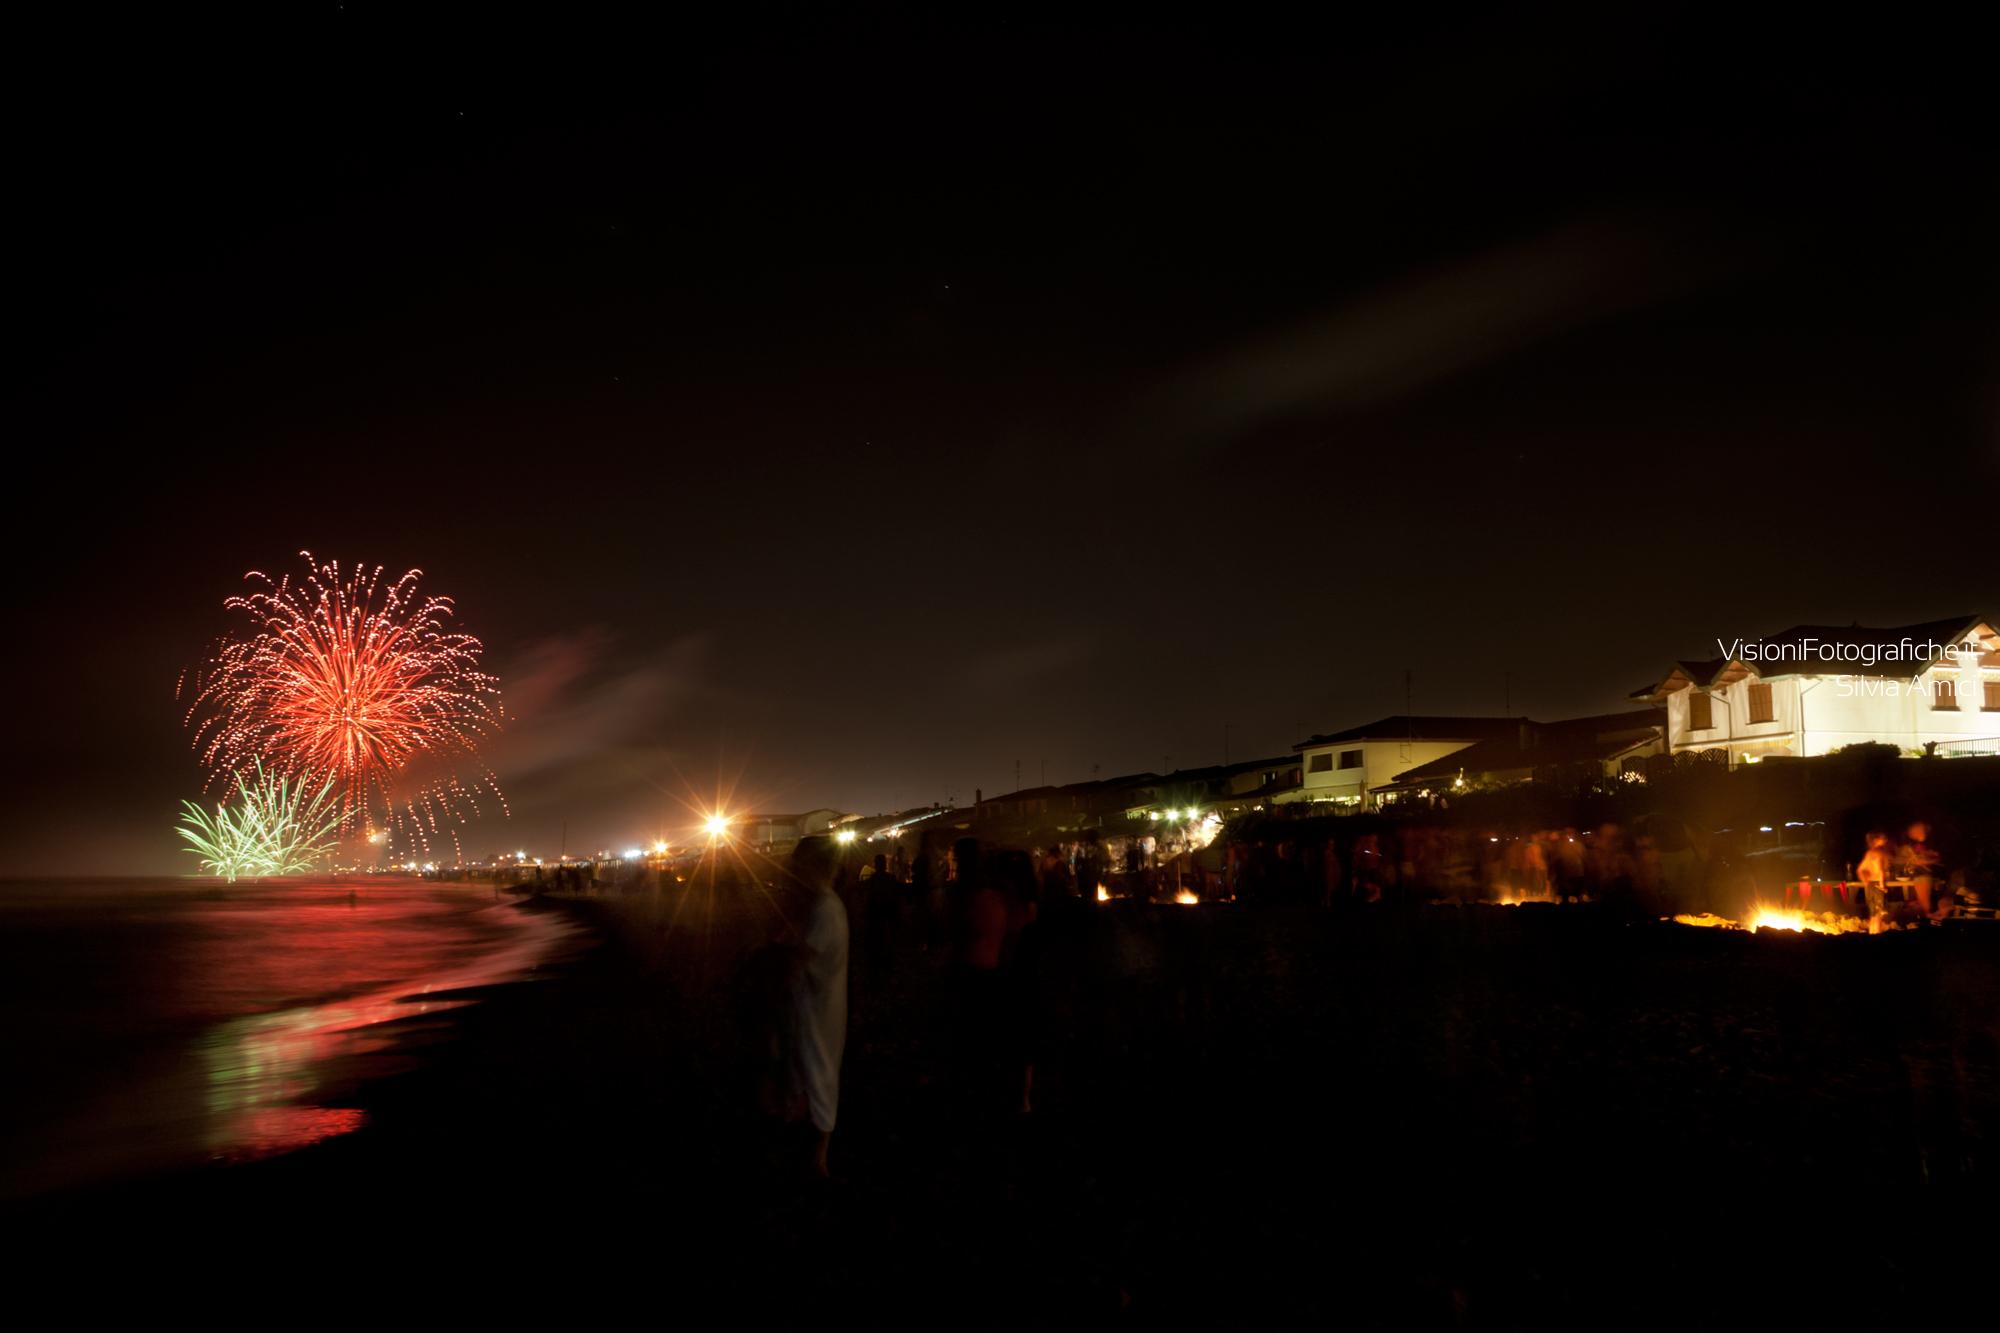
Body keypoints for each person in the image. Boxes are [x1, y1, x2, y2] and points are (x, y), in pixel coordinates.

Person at [785, 836, 849, 1179]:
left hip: (819, 1006)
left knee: (819, 1069)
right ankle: (813, 1153)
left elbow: (802, 956)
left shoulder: (825, 908)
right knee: (815, 1068)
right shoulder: (823, 905)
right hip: (819, 1003)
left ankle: (818, 1159)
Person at [1856, 831, 1893, 933]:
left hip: (1870, 886)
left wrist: (1866, 882)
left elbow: (1860, 870)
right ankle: (1876, 936)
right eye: (1882, 838)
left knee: (1873, 914)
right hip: (1877, 885)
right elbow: (1880, 869)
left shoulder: (1869, 853)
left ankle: (1872, 934)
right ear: (1876, 840)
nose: (1885, 840)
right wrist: (1882, 885)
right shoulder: (1878, 853)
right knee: (1878, 914)